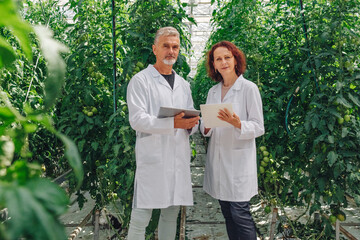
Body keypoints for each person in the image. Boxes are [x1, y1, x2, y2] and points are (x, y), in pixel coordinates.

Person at [126, 26, 200, 240]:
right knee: (141, 218)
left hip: (178, 158)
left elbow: (190, 119)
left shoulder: (184, 85)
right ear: (155, 49)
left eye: (175, 47)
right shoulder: (141, 81)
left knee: (171, 215)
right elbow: (137, 119)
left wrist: (194, 124)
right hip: (154, 160)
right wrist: (172, 124)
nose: (171, 51)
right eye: (166, 46)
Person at [200, 41, 265, 240]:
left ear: (236, 60)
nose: (223, 62)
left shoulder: (248, 89)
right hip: (218, 161)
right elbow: (206, 128)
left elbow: (258, 126)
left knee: (240, 213)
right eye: (218, 59)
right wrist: (207, 127)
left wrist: (238, 124)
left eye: (227, 57)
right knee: (227, 212)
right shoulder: (213, 92)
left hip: (238, 162)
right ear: (214, 64)